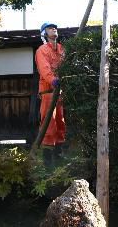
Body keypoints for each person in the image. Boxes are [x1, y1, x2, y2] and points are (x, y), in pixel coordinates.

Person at [35, 22, 66, 168]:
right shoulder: (42, 50)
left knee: (60, 122)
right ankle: (47, 164)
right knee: (49, 124)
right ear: (44, 34)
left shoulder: (61, 49)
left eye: (55, 27)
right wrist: (53, 80)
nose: (54, 29)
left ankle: (59, 158)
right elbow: (44, 68)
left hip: (59, 92)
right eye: (49, 28)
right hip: (48, 91)